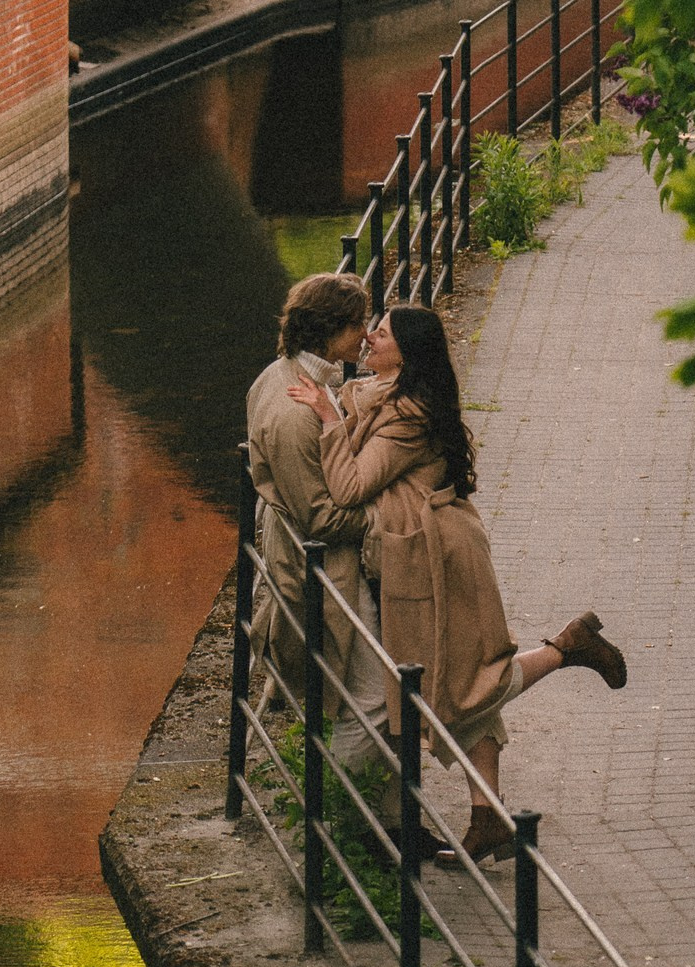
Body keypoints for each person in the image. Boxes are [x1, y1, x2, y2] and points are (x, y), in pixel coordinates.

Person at [287, 302, 626, 865]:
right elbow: (356, 426)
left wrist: (325, 417)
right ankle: (487, 815)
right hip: (416, 556)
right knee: (457, 677)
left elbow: (348, 487)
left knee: (461, 684)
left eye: (384, 333)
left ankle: (566, 649)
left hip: (435, 561)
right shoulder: (378, 396)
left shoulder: (409, 413)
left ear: (407, 352)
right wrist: (337, 407)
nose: (370, 336)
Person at [245, 272, 391, 778]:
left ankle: (377, 816)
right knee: (374, 699)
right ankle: (348, 815)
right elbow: (320, 517)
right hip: (326, 576)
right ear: (331, 330)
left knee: (372, 694)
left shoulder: (279, 375)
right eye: (358, 326)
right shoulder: (293, 411)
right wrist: (385, 516)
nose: (367, 336)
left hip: (321, 566)